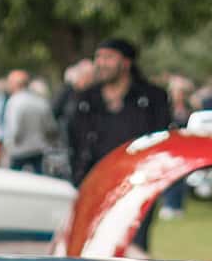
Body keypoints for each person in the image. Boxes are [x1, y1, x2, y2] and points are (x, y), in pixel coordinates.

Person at [61, 38, 171, 198]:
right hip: (93, 179)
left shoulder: (152, 98)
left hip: (137, 180)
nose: (101, 63)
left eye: (108, 57)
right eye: (98, 57)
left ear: (126, 63)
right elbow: (74, 138)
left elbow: (161, 135)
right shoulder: (85, 99)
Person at [0, 67, 55, 173]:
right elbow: (50, 126)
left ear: (15, 84)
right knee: (39, 179)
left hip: (19, 150)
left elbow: (14, 129)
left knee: (16, 181)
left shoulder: (14, 102)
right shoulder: (39, 100)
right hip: (38, 148)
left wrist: (8, 145)